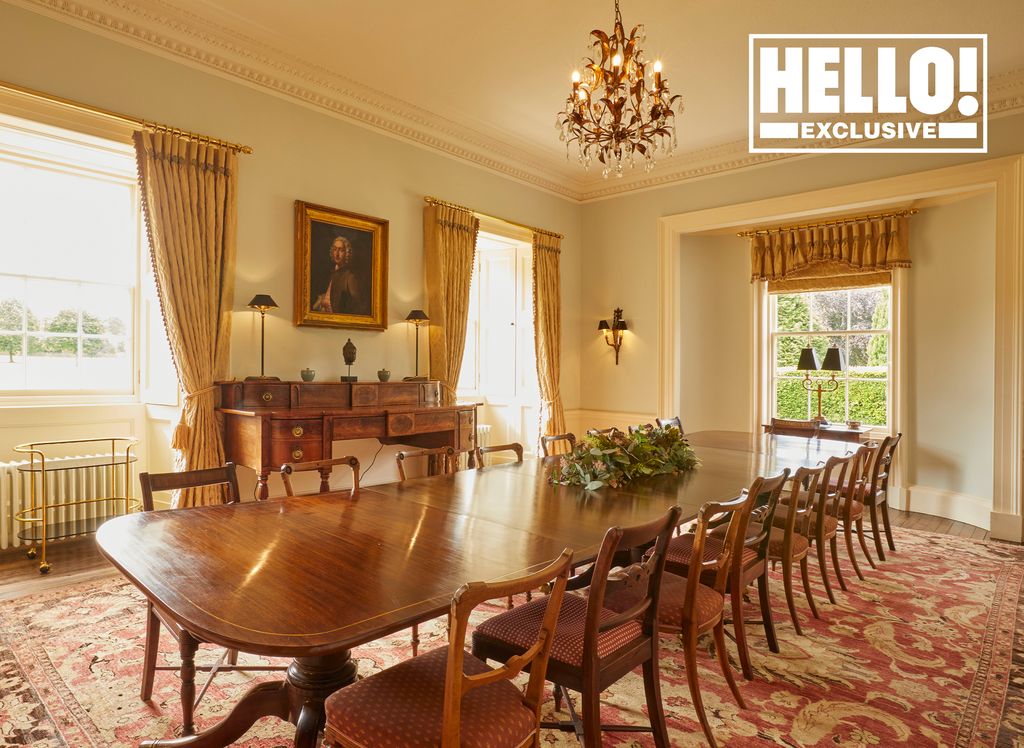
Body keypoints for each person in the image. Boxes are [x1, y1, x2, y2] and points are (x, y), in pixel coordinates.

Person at [312, 236, 366, 315]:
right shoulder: (330, 274)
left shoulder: (350, 277)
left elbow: (357, 305)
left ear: (347, 253)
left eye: (341, 250)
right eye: (335, 249)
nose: (337, 253)